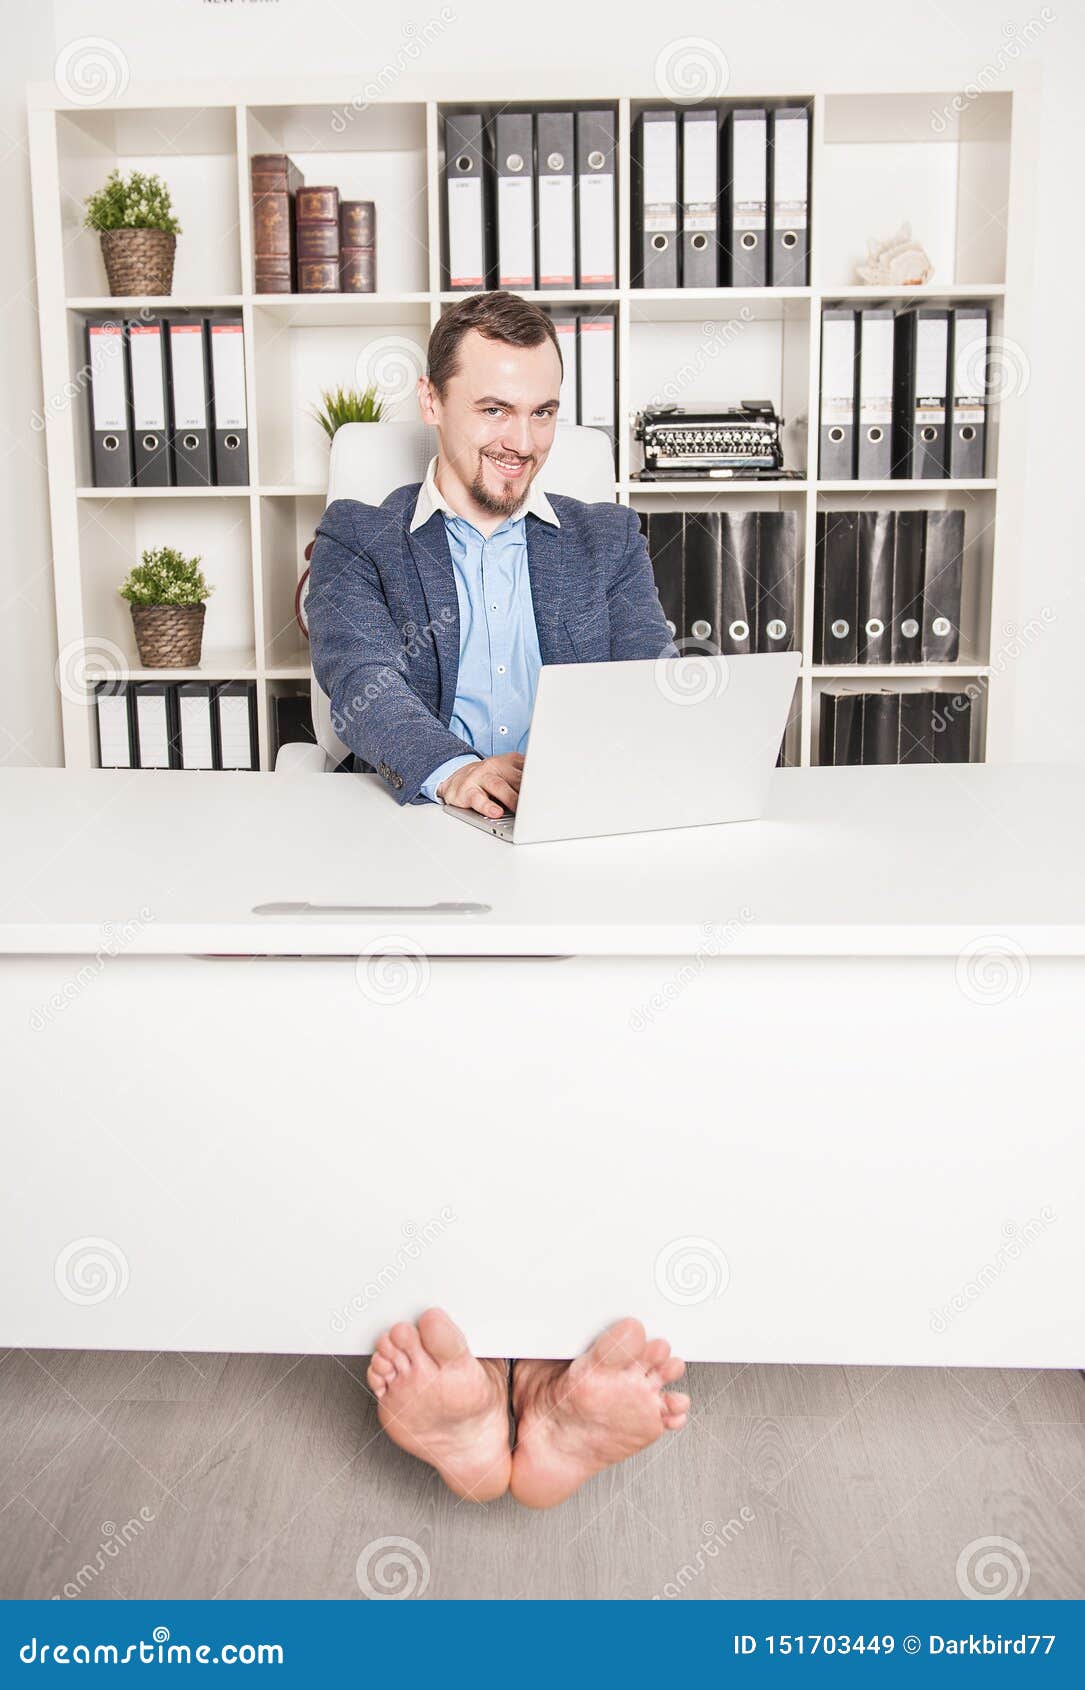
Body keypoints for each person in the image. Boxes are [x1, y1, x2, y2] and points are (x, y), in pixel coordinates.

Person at [306, 291, 689, 1507]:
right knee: (456, 1060)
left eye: (541, 413)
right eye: (491, 410)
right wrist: (458, 771)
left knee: (590, 1055)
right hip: (421, 840)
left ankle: (512, 1405)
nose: (519, 441)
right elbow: (357, 677)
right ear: (430, 405)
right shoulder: (363, 533)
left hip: (570, 849)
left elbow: (650, 681)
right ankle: (527, 1401)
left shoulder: (603, 535)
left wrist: (612, 772)